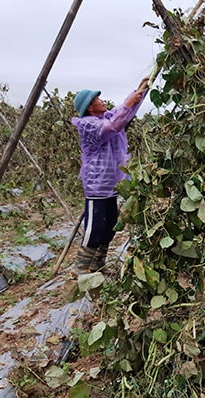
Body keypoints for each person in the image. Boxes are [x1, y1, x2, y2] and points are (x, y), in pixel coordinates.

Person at [70, 76, 149, 275]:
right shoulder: (88, 125)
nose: (102, 100)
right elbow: (114, 125)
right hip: (97, 186)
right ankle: (80, 269)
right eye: (97, 99)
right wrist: (130, 101)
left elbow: (125, 114)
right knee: (94, 228)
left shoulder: (106, 117)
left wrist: (142, 89)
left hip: (111, 185)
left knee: (110, 226)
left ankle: (98, 264)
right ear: (89, 107)